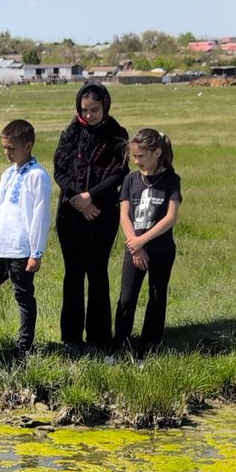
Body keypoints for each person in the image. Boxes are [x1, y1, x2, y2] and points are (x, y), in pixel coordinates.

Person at [53, 83, 130, 353]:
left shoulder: (117, 135)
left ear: (105, 106)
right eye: (85, 110)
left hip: (102, 213)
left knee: (97, 273)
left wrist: (91, 198)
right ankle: (71, 337)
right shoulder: (71, 131)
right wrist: (78, 198)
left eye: (95, 109)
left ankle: (98, 338)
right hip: (70, 214)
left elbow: (119, 172)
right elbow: (59, 169)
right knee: (73, 274)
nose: (89, 115)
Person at [0, 120, 53, 357]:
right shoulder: (7, 174)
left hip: (22, 250)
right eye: (5, 148)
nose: (7, 153)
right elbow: (0, 209)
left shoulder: (38, 177)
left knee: (23, 296)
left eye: (12, 148)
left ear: (28, 145)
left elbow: (40, 216)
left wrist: (36, 252)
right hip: (0, 248)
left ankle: (24, 347)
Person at [112, 129, 181, 356]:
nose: (136, 160)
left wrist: (143, 241)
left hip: (161, 249)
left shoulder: (171, 180)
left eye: (141, 156)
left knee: (156, 295)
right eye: (134, 156)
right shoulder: (131, 179)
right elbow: (124, 215)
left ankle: (148, 346)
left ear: (157, 152)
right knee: (126, 298)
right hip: (134, 249)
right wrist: (136, 244)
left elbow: (170, 217)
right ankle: (118, 343)